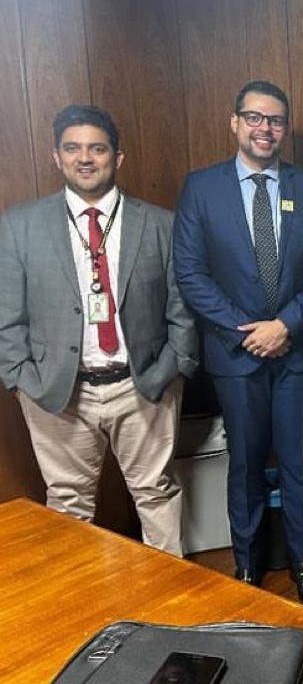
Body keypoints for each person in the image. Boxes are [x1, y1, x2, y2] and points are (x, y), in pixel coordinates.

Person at [173, 80, 303, 607]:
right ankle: (247, 564)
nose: (264, 129)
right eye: (254, 117)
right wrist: (247, 331)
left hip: (299, 351)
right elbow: (191, 274)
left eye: (275, 120)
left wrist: (285, 326)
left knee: (298, 462)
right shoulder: (201, 188)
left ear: (285, 129)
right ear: (235, 122)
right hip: (235, 353)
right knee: (245, 463)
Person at [0, 104, 197, 555]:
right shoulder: (19, 226)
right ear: (57, 157)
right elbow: (7, 317)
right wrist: (22, 380)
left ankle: (168, 597)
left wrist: (174, 369)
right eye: (73, 148)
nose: (85, 158)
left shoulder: (161, 224)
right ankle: (79, 596)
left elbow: (182, 310)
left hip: (143, 386)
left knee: (157, 495)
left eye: (97, 149)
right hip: (57, 393)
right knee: (67, 505)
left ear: (117, 157)